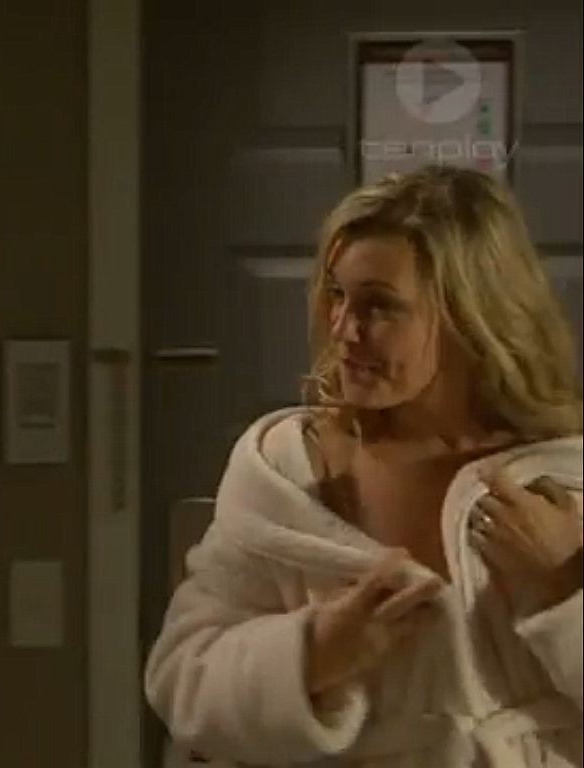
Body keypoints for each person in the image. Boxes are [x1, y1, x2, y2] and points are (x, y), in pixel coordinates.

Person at [144, 164, 582, 767]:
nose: (343, 329)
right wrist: (315, 654)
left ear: (468, 317)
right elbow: (182, 677)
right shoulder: (290, 474)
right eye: (336, 295)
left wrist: (565, 589)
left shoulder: (564, 480)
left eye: (379, 306)